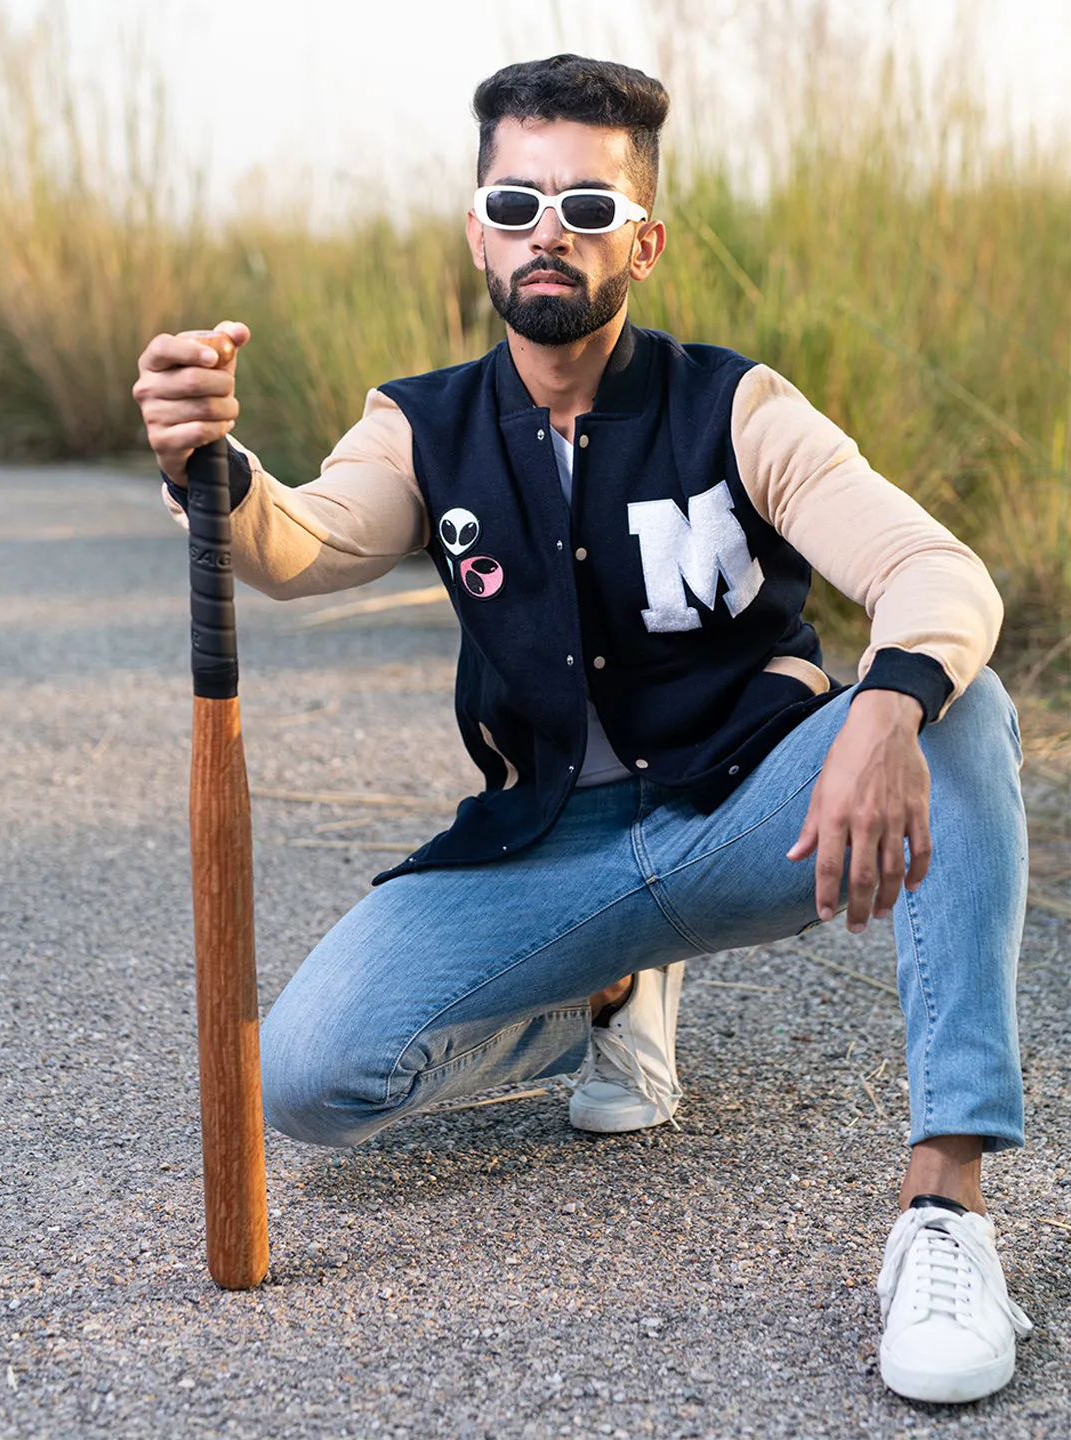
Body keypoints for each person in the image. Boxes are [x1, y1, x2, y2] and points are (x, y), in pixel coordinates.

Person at [133, 55, 1033, 1405]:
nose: (548, 229)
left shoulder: (738, 406)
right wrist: (210, 464)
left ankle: (945, 1212)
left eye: (589, 209)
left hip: (749, 814)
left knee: (963, 706)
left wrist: (887, 704)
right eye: (516, 199)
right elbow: (303, 542)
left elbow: (940, 574)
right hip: (551, 847)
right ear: (478, 227)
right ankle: (601, 995)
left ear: (646, 243)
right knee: (309, 1081)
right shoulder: (423, 426)